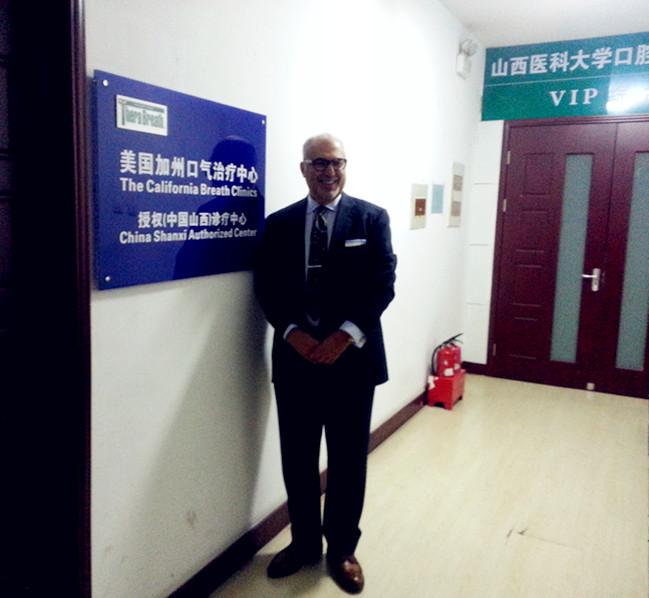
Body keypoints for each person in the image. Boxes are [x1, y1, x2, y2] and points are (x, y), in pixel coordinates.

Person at [254, 133, 396, 594]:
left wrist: (342, 337)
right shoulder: (279, 224)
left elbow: (383, 285)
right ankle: (303, 543)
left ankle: (342, 550)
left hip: (352, 361)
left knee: (348, 460)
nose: (329, 172)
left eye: (336, 162)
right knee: (297, 458)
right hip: (296, 360)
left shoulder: (371, 218)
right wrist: (291, 333)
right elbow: (267, 286)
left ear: (345, 167)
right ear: (303, 169)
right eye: (319, 163)